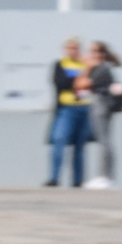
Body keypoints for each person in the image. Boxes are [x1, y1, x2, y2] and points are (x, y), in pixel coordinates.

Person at [45, 36, 91, 186]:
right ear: (65, 50)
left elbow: (92, 83)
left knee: (80, 146)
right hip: (67, 109)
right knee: (59, 139)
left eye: (76, 48)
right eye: (70, 48)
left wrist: (80, 81)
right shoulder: (61, 64)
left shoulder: (86, 64)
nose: (73, 51)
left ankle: (78, 181)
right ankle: (54, 177)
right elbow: (61, 82)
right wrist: (79, 80)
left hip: (84, 107)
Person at [85, 41, 122, 186]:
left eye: (95, 51)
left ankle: (105, 176)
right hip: (102, 104)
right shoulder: (103, 68)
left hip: (101, 105)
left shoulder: (102, 69)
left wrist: (86, 67)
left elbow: (84, 83)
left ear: (101, 54)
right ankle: (105, 175)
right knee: (104, 140)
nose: (92, 54)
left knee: (105, 141)